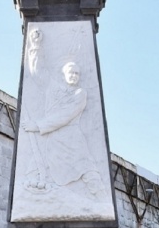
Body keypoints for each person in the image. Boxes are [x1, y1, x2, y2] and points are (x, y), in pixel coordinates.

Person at [23, 62, 105, 197]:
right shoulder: (53, 86)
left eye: (76, 73)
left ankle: (101, 202)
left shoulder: (79, 93)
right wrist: (35, 45)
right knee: (35, 169)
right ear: (63, 75)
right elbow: (37, 71)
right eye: (71, 73)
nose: (74, 76)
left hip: (71, 139)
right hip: (51, 138)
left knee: (87, 170)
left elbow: (65, 116)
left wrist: (37, 126)